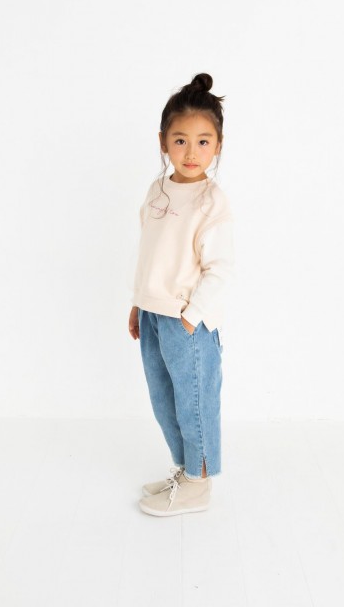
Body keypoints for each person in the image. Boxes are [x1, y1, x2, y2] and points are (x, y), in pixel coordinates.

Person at [128, 72, 235, 517]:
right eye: (180, 141)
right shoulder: (157, 190)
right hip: (154, 315)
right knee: (164, 399)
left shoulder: (211, 202)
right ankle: (185, 470)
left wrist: (192, 316)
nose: (192, 153)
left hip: (188, 321)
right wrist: (138, 302)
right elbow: (151, 252)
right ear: (163, 142)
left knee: (194, 402)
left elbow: (220, 269)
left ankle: (199, 481)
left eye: (203, 142)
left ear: (218, 145)